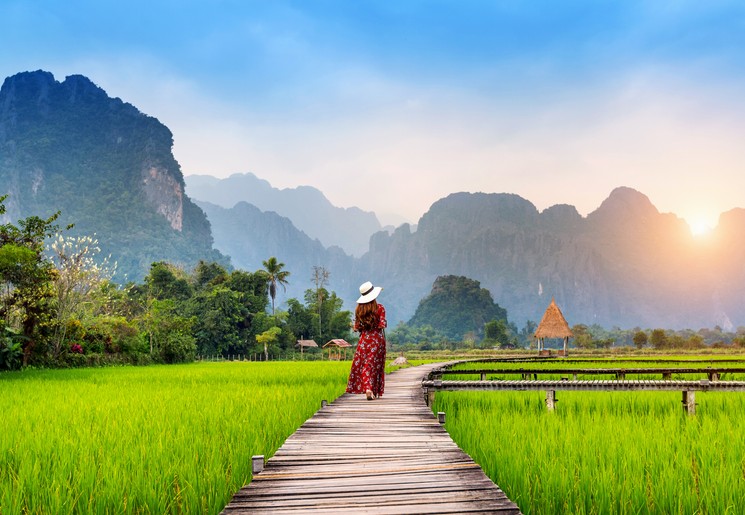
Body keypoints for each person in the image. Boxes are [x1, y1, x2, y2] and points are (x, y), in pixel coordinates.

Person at [346, 281, 387, 401]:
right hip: (377, 340)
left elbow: (357, 327)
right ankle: (370, 389)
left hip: (364, 340)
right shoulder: (380, 308)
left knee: (365, 364)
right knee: (374, 365)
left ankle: (368, 388)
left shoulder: (359, 310)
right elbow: (382, 325)